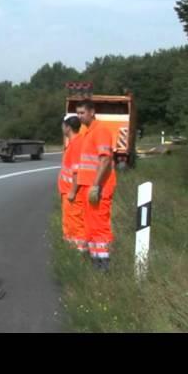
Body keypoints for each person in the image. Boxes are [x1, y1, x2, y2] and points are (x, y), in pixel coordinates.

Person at [75, 100, 117, 272]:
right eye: (77, 113)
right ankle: (95, 262)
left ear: (92, 112)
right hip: (88, 186)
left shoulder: (100, 131)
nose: (79, 116)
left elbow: (105, 159)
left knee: (100, 226)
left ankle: (103, 265)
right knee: (91, 226)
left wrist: (96, 185)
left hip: (98, 187)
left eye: (82, 113)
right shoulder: (87, 132)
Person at [58, 114, 86, 252]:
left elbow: (77, 171)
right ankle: (71, 251)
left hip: (73, 195)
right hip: (69, 193)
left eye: (63, 125)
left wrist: (73, 191)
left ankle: (78, 253)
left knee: (75, 225)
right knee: (69, 225)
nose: (62, 127)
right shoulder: (75, 143)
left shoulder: (76, 144)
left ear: (68, 127)